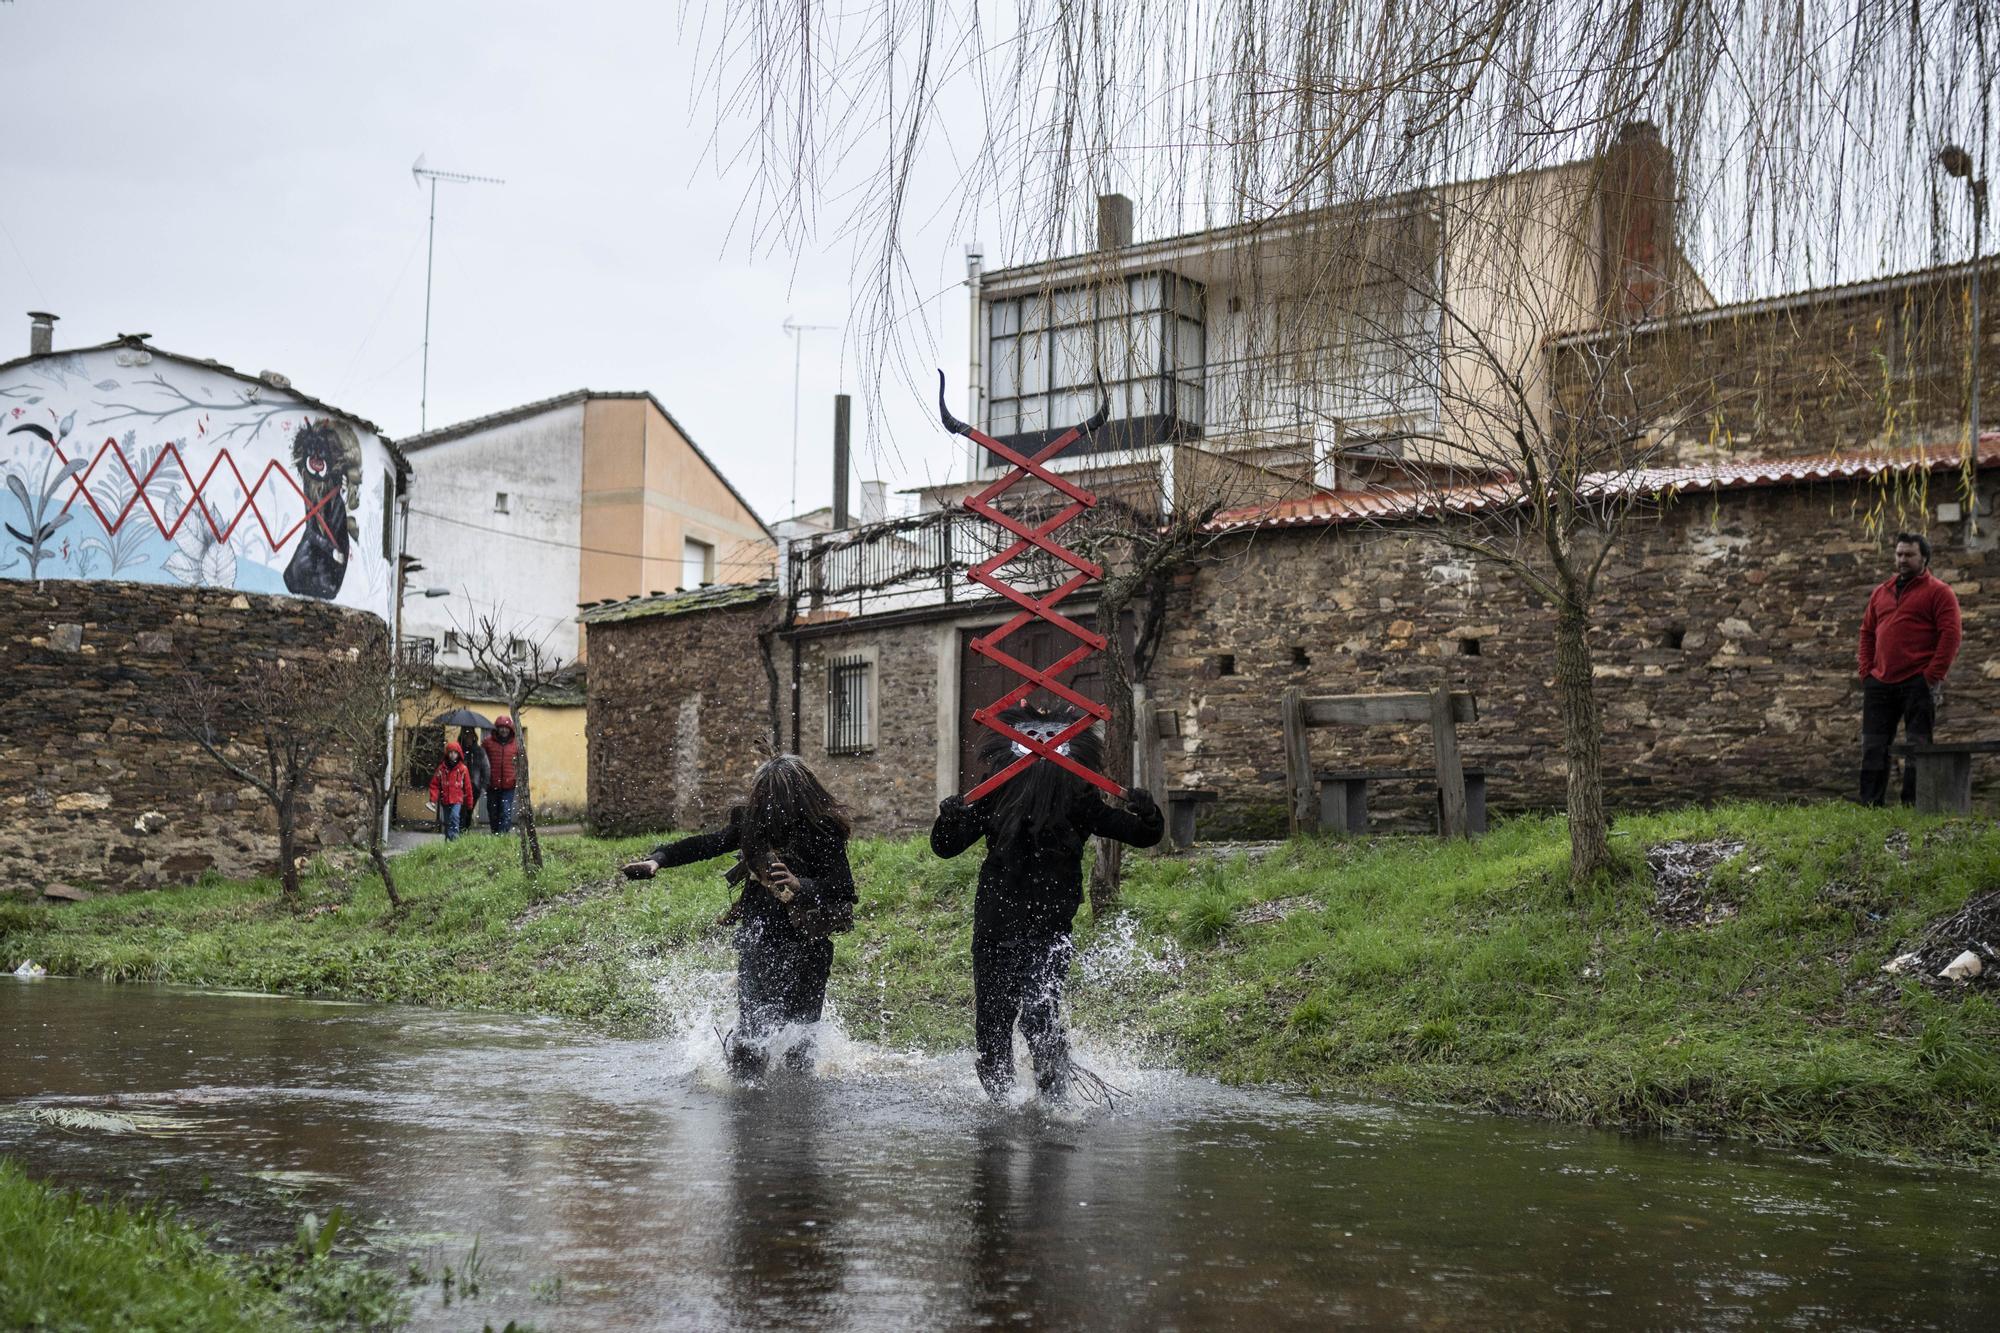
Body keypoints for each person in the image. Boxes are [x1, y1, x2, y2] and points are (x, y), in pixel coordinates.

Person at [930, 703, 1163, 1103]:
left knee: (1041, 1017)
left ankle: (1054, 1106)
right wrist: (949, 819)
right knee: (994, 1028)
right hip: (995, 931)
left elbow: (1140, 834)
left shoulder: (1079, 797)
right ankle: (1001, 1111)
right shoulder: (996, 792)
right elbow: (945, 847)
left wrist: (1148, 813)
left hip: (1050, 931)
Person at [619, 755, 857, 1077]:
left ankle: (798, 1118)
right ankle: (745, 1111)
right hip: (758, 942)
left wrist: (801, 884)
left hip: (809, 946)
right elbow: (707, 844)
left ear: (798, 797)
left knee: (802, 1043)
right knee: (750, 1040)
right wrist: (657, 861)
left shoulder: (823, 830)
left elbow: (843, 887)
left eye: (778, 801)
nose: (771, 809)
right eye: (765, 799)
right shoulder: (754, 823)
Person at [1857, 531, 1963, 806]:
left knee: (1918, 747)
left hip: (1918, 682)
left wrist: (1930, 677)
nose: (1902, 559)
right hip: (1879, 683)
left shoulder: (1939, 592)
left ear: (1924, 558)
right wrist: (1867, 672)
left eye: (1909, 554)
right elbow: (1867, 632)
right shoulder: (1882, 592)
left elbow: (1951, 635)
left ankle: (1913, 806)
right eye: (1899, 554)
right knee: (1873, 746)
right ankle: (1870, 805)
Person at [482, 715, 521, 834]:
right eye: (501, 727)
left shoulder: (516, 744)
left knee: (506, 811)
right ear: (497, 729)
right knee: (493, 811)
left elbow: (522, 762)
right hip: (492, 784)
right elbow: (481, 761)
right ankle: (495, 833)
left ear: (510, 729)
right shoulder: (487, 743)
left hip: (508, 785)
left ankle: (503, 835)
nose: (504, 730)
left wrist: (517, 778)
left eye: (506, 728)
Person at [427, 741, 474, 841]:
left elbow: (468, 787)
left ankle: (455, 840)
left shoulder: (463, 769)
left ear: (459, 754)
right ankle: (448, 841)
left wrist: (469, 803)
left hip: (457, 800)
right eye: (451, 752)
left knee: (454, 817)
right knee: (447, 821)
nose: (453, 755)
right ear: (447, 754)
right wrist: (433, 799)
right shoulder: (442, 769)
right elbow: (434, 784)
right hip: (445, 800)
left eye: (455, 752)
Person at [459, 725, 489, 833]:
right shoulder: (458, 750)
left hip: (474, 787)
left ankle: (464, 830)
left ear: (474, 736)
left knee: (468, 812)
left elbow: (486, 768)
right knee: (460, 811)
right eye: (466, 735)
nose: (469, 738)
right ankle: (460, 832)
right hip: (459, 787)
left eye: (470, 735)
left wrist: (483, 786)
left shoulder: (479, 752)